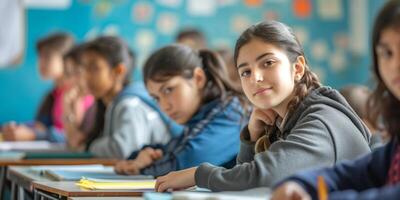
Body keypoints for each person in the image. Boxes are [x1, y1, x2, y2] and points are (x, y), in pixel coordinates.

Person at [155, 21, 371, 192]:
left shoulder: (322, 118)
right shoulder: (284, 119)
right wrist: (251, 137)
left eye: (268, 63)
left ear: (297, 68)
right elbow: (249, 186)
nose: (255, 78)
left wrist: (198, 175)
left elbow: (265, 176)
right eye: (245, 72)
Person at [272, 1, 400, 199]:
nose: (395, 65)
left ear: (298, 68)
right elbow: (364, 171)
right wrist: (302, 184)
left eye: (269, 63)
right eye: (387, 53)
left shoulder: (318, 115)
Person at [114, 44, 249, 177]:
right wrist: (139, 157)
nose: (165, 106)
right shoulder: (200, 116)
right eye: (156, 98)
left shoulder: (232, 111)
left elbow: (191, 160)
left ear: (198, 78)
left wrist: (139, 167)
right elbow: (174, 149)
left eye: (168, 90)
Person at [81, 36, 180, 159]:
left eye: (94, 68)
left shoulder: (129, 104)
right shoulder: (111, 103)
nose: (86, 76)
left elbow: (124, 150)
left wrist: (90, 146)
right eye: (84, 68)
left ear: (118, 71)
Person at [2, 32, 74, 142]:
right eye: (40, 57)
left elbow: (73, 138)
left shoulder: (77, 95)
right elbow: (41, 125)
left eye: (47, 57)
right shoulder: (52, 95)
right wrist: (19, 128)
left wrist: (34, 135)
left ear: (67, 60)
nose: (41, 63)